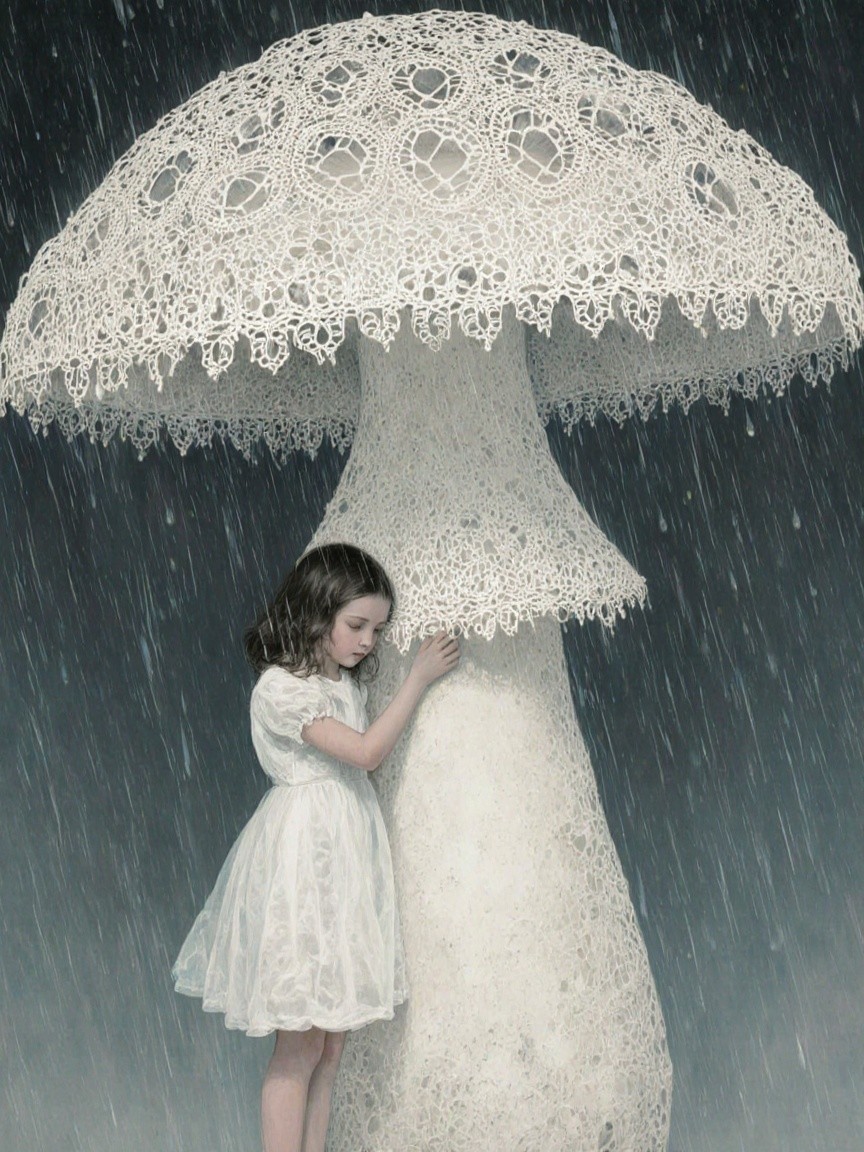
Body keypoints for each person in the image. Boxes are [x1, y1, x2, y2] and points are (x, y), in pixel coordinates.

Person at [172, 543, 459, 1152]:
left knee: (330, 1047)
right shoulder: (283, 689)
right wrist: (417, 678)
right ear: (314, 612)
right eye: (357, 625)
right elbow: (366, 753)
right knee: (299, 1045)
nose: (368, 642)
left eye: (377, 629)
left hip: (343, 861)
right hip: (303, 861)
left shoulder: (340, 683)